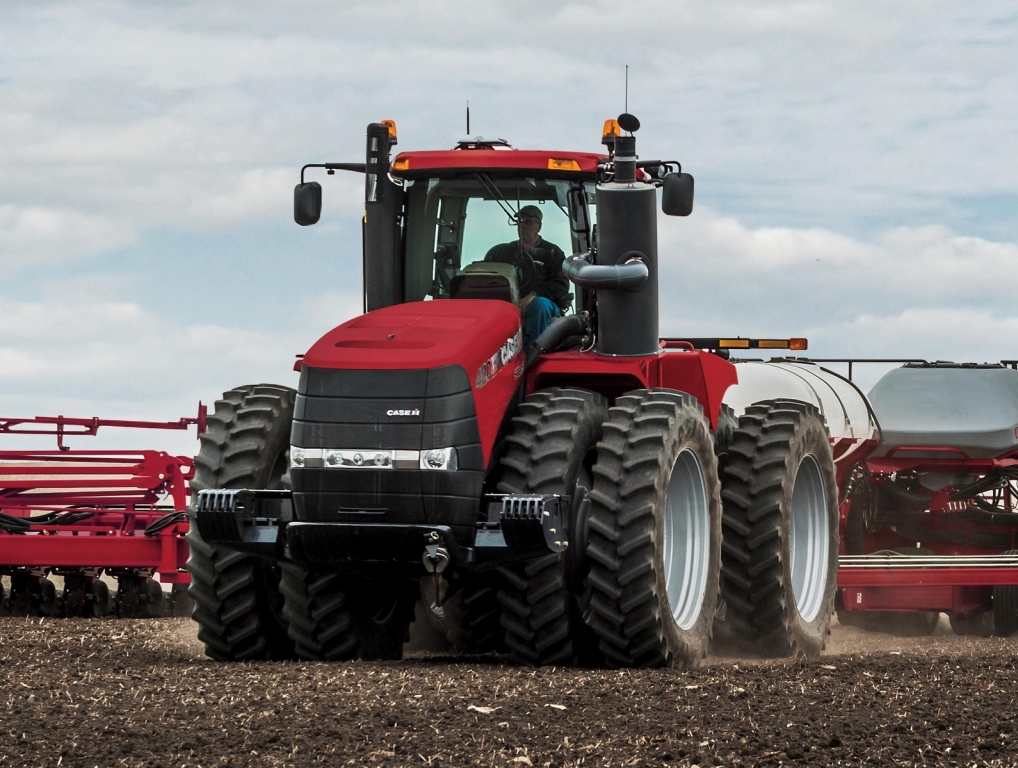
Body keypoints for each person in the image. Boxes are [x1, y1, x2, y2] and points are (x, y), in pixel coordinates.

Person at [484, 205, 570, 347]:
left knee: (539, 305)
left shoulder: (552, 252)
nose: (522, 226)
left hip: (543, 304)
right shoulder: (504, 252)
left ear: (538, 226)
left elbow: (560, 285)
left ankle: (532, 354)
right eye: (520, 222)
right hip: (510, 303)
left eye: (528, 222)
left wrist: (533, 295)